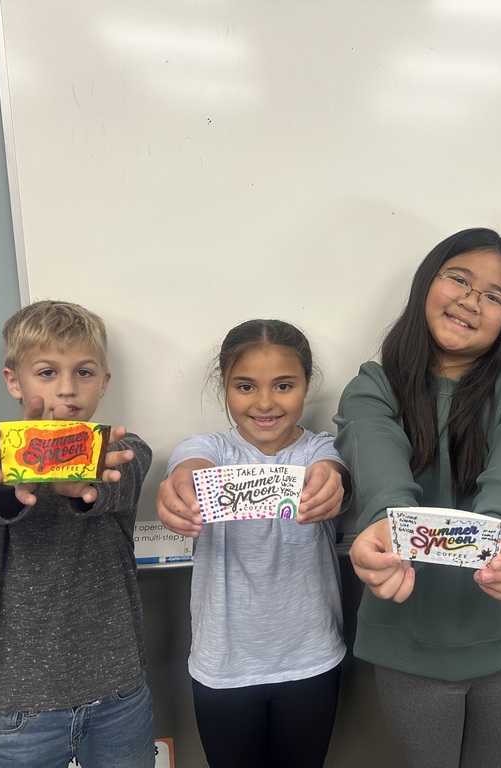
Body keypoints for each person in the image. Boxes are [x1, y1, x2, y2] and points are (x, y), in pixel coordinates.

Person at [334, 227, 501, 768]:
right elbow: (379, 467)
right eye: (458, 278)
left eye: (494, 295)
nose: (470, 299)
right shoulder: (373, 386)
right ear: (426, 284)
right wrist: (389, 524)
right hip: (408, 634)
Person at [0, 300, 154, 768]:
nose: (66, 389)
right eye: (46, 372)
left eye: (83, 372)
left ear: (104, 381)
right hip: (21, 710)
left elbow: (119, 482)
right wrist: (19, 480)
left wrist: (82, 486)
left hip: (118, 696)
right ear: (14, 381)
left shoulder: (123, 454)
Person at [156, 319, 350, 768]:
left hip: (311, 660)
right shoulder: (209, 448)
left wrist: (333, 483)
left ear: (306, 385)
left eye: (284, 385)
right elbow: (189, 465)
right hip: (223, 667)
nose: (264, 402)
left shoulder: (320, 449)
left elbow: (333, 472)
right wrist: (181, 484)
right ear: (224, 387)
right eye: (245, 386)